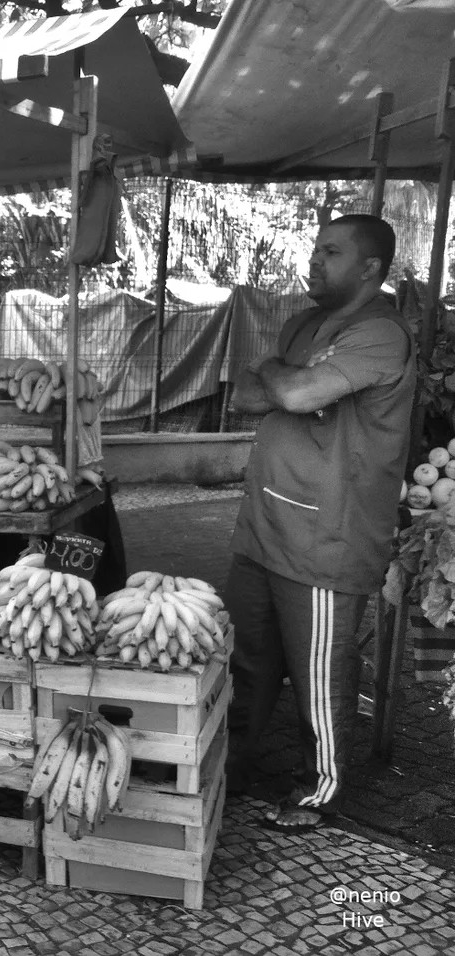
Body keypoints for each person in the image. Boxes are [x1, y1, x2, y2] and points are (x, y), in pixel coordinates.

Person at [225, 214, 415, 833]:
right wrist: (284, 382)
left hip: (327, 535)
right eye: (313, 250)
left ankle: (322, 789)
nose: (312, 262)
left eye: (329, 253)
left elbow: (295, 394)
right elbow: (248, 397)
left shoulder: (383, 335)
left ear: (369, 268)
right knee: (247, 660)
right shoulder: (303, 323)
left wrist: (279, 378)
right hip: (264, 525)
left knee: (320, 672)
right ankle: (233, 765)